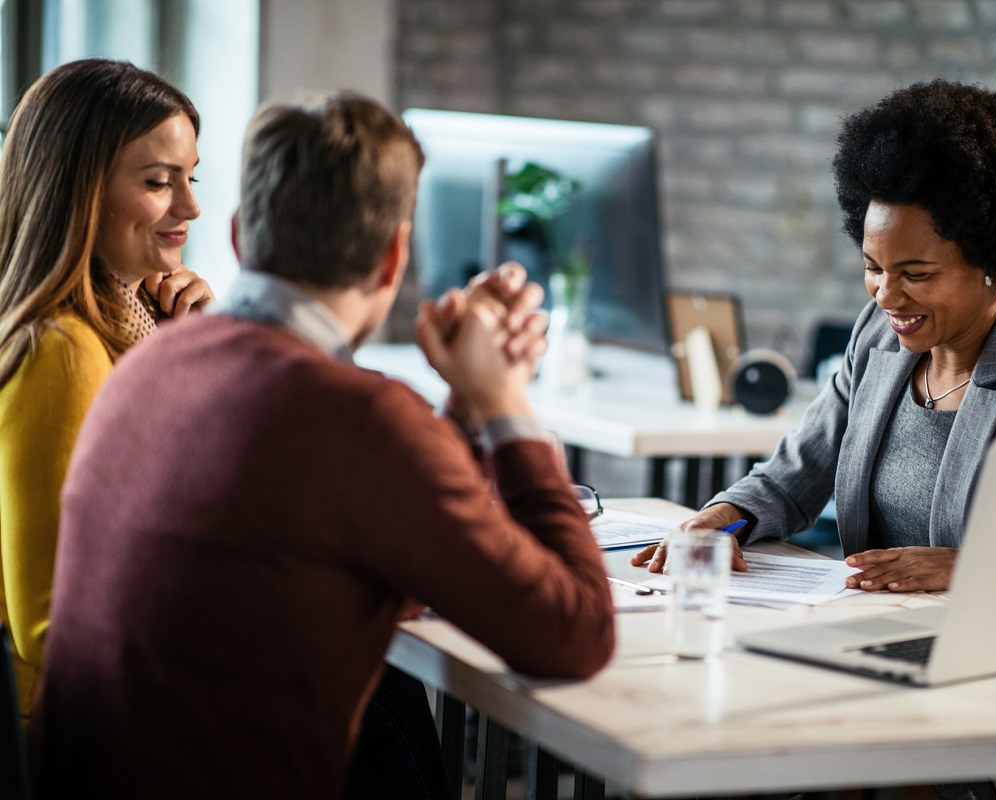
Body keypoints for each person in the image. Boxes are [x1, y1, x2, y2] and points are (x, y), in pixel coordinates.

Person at [32, 92, 614, 800]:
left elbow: (354, 543)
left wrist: (459, 412)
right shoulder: (363, 419)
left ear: (243, 235)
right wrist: (505, 406)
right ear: (394, 254)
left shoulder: (146, 361)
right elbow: (576, 636)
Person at [634, 80, 996, 800]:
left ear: (990, 259)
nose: (885, 297)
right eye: (873, 270)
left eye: (915, 274)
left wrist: (969, 568)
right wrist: (723, 520)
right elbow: (794, 473)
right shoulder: (877, 340)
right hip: (867, 674)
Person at [0, 58, 212, 719]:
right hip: (78, 738)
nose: (191, 207)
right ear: (80, 190)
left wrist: (188, 352)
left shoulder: (121, 330)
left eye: (191, 179)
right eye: (158, 183)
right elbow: (54, 624)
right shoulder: (62, 352)